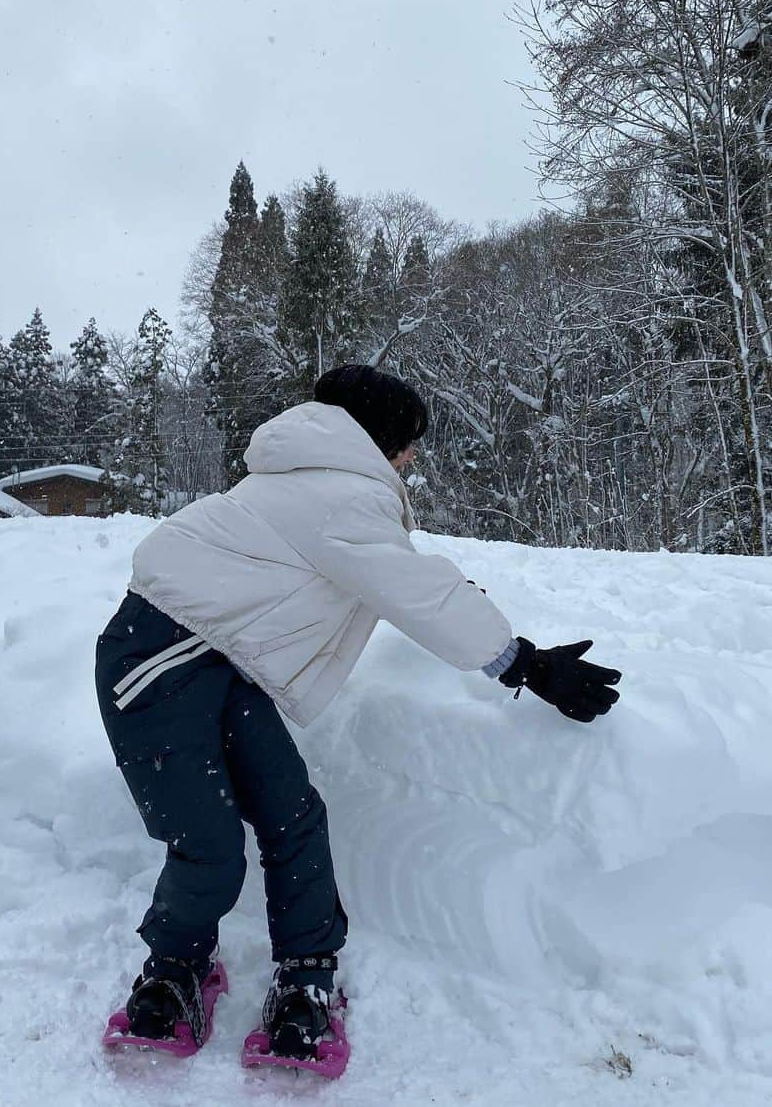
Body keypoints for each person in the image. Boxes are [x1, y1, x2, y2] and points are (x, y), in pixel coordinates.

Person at [94, 364, 621, 1059]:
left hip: (221, 666)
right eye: (409, 445)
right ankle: (173, 971)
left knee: (293, 815)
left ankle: (307, 976)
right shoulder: (341, 497)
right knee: (210, 847)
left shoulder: (312, 481)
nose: (411, 461)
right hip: (155, 666)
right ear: (383, 441)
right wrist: (522, 662)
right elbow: (412, 589)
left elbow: (388, 576)